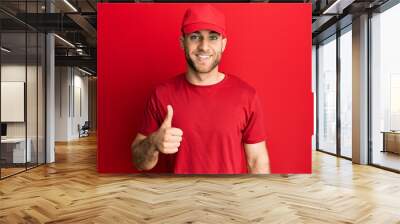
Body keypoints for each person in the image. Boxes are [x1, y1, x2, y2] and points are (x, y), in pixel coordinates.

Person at [131, 4, 270, 174]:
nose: (204, 46)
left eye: (213, 37)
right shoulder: (161, 94)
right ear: (182, 42)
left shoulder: (247, 96)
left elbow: (257, 161)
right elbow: (139, 163)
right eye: (195, 37)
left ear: (223, 44)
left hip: (230, 199)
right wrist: (153, 142)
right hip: (178, 198)